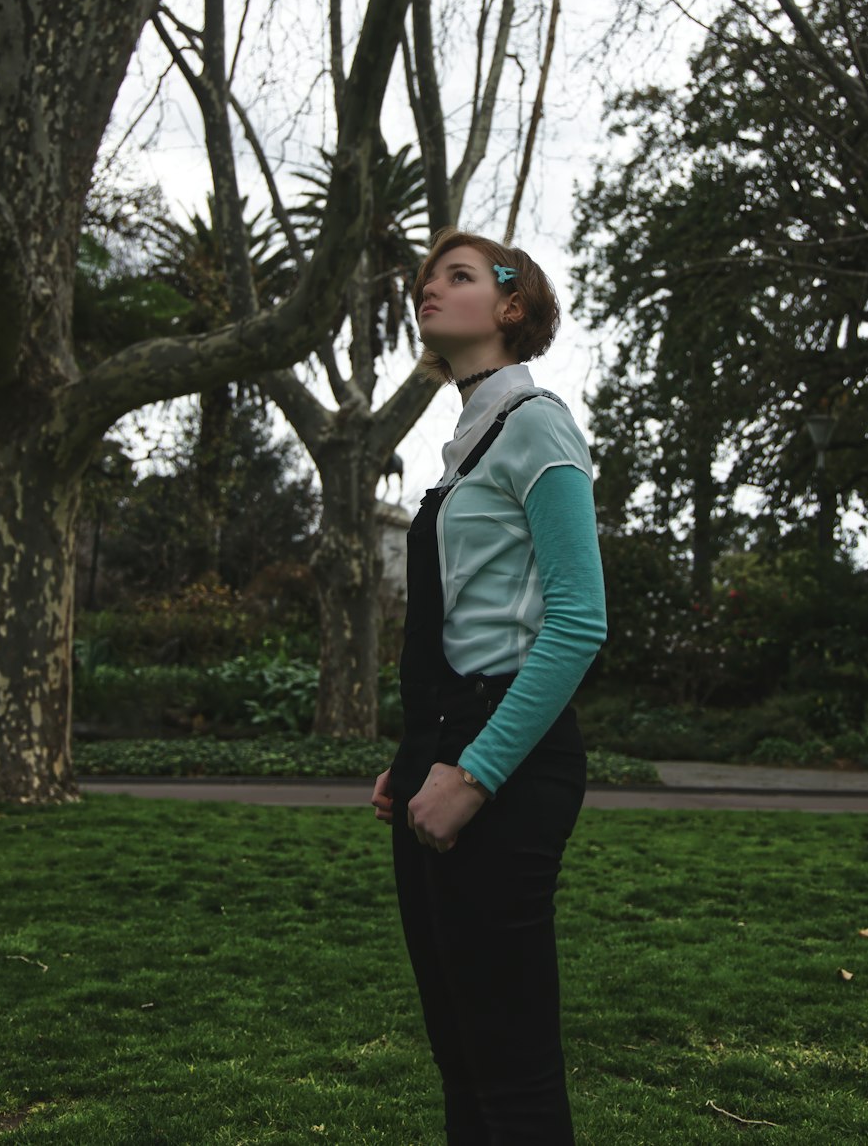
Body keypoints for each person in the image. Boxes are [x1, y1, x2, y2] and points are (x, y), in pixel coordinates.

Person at [371, 228, 607, 1146]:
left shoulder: (539, 422)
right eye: (427, 277)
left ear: (512, 308)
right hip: (443, 739)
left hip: (508, 752)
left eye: (458, 276)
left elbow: (578, 620)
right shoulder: (466, 440)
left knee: (510, 1070)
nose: (428, 287)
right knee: (461, 1057)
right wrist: (419, 754)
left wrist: (472, 773)